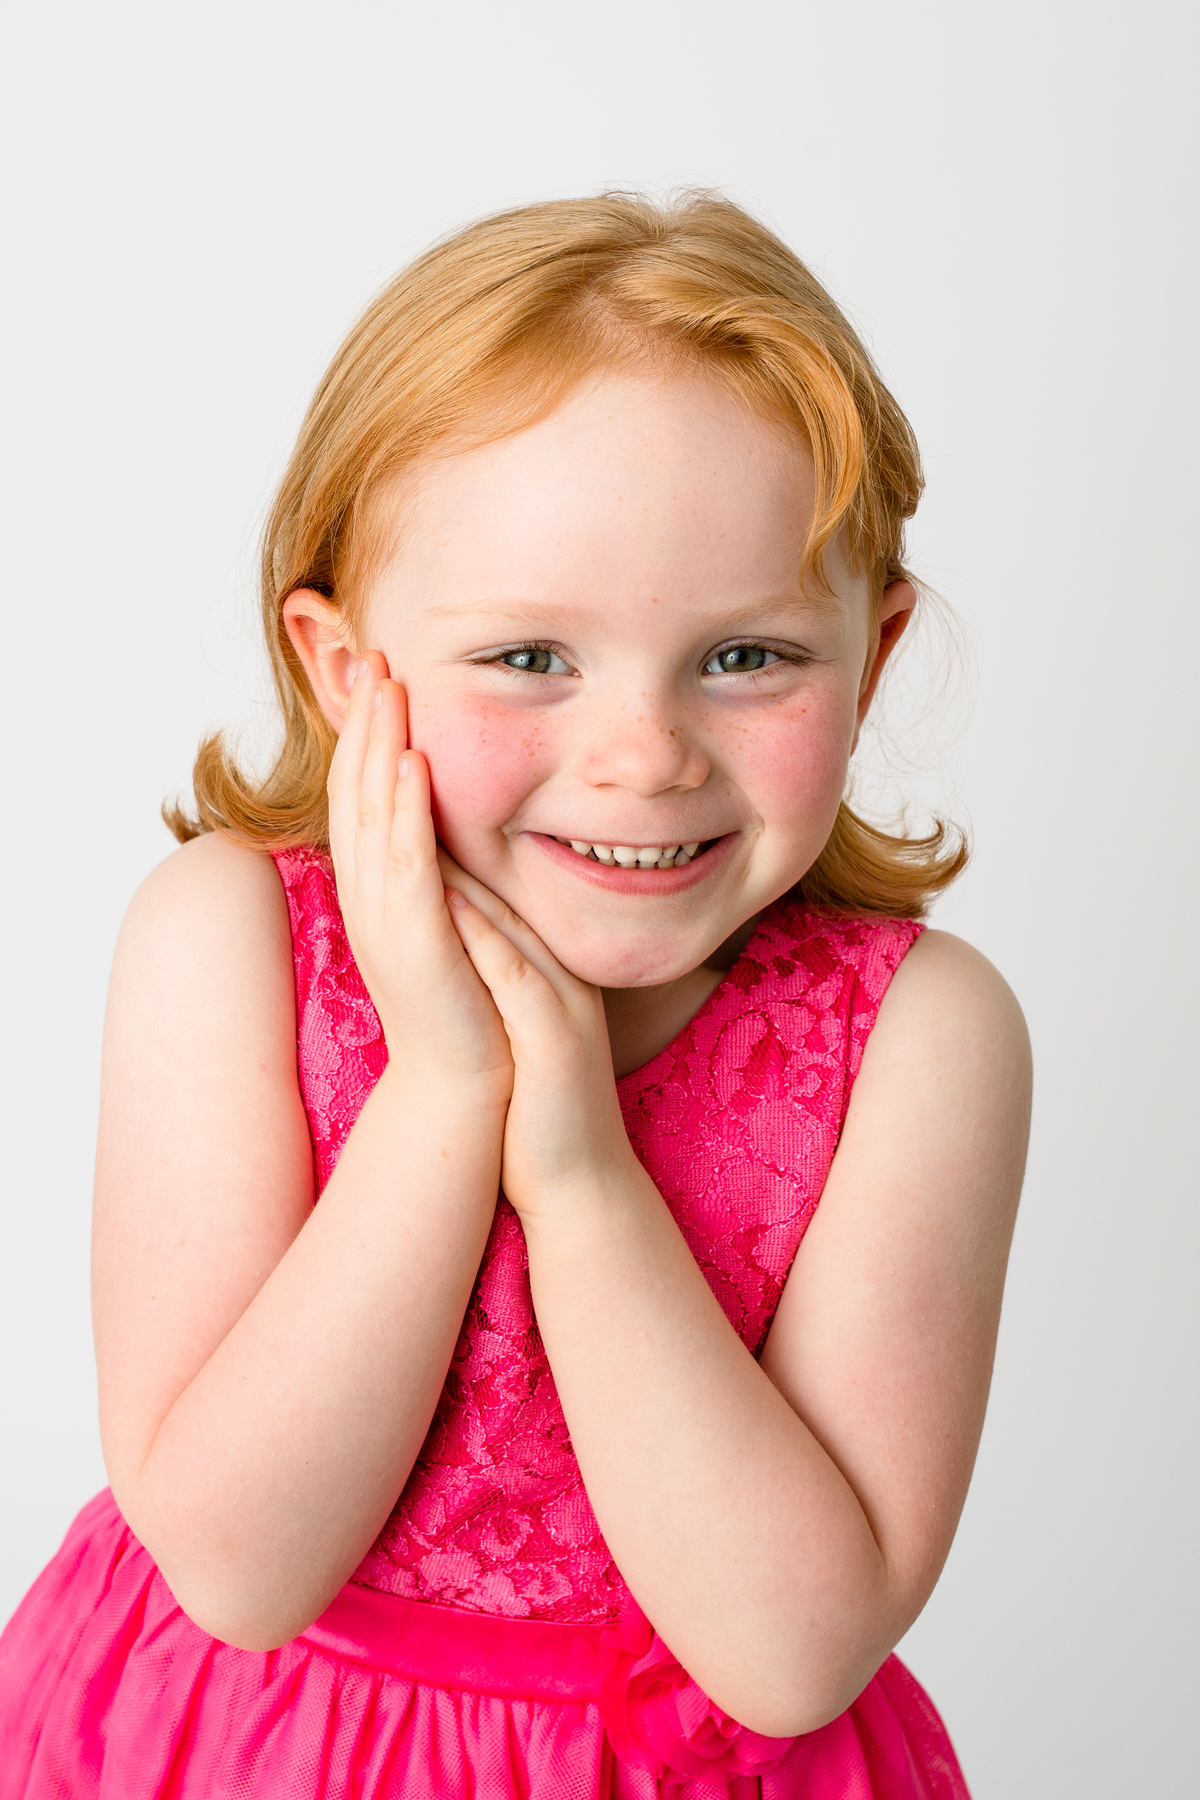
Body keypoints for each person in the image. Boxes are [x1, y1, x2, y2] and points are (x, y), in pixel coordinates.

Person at [0, 191, 1031, 1799]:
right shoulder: (225, 947)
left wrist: (573, 1166)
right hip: (228, 1751)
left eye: (748, 656)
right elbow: (237, 1571)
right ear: (352, 674)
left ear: (874, 655)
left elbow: (788, 1654)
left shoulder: (922, 1043)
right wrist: (444, 1091)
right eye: (532, 657)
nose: (645, 751)